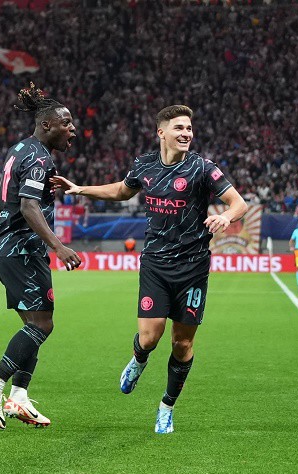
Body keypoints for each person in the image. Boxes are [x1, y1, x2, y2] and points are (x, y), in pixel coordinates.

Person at [51, 104, 248, 434]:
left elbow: (238, 203)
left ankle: (166, 407)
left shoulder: (203, 168)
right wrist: (80, 188)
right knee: (149, 337)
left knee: (182, 345)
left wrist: (226, 217)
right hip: (156, 264)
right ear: (161, 132)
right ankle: (139, 360)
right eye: (179, 128)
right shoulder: (144, 165)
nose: (186, 133)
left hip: (193, 268)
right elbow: (121, 190)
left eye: (189, 128)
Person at [0, 82, 82, 430]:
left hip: (8, 248)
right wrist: (58, 246)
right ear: (47, 124)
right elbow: (29, 206)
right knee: (42, 324)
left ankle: (19, 397)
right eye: (66, 123)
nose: (73, 130)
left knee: (34, 326)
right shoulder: (39, 157)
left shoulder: (20, 148)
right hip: (22, 250)